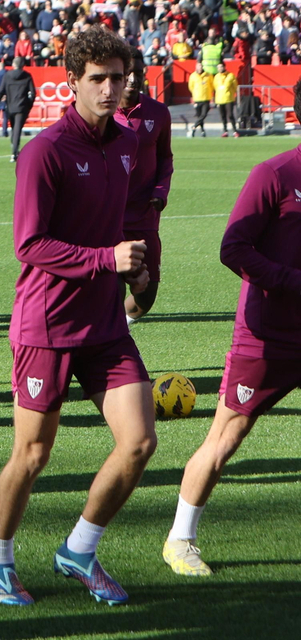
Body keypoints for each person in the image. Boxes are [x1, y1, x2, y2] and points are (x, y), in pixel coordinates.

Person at [0, 27, 154, 608]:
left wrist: (136, 268)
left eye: (118, 79)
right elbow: (29, 245)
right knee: (32, 455)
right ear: (73, 82)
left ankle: (79, 549)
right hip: (47, 326)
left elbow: (121, 217)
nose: (110, 89)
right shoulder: (45, 152)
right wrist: (107, 258)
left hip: (105, 321)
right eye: (98, 79)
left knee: (139, 442)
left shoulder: (128, 142)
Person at [162, 141, 301, 577]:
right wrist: (292, 282)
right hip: (268, 335)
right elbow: (234, 249)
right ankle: (180, 540)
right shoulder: (274, 174)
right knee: (225, 437)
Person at [116, 50, 173, 324]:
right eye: (127, 72)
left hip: (145, 218)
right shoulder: (99, 111)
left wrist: (161, 191)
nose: (133, 78)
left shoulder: (159, 113)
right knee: (108, 292)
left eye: (138, 72)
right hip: (108, 219)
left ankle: (115, 328)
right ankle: (108, 340)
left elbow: (165, 158)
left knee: (146, 297)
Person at [3, 55, 36, 162]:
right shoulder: (27, 76)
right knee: (17, 129)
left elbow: (1, 90)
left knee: (14, 128)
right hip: (22, 107)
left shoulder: (7, 75)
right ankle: (14, 151)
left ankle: (14, 148)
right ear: (23, 65)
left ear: (13, 65)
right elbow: (33, 93)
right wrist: (29, 105)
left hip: (10, 106)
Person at [212, 60, 238, 136]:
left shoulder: (230, 75)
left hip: (229, 98)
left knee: (230, 115)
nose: (220, 68)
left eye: (221, 67)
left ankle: (234, 131)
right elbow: (215, 87)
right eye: (218, 67)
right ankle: (225, 131)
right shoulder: (216, 77)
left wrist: (232, 94)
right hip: (219, 99)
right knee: (223, 116)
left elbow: (235, 86)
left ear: (224, 67)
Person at [187, 64, 213, 138]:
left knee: (204, 114)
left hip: (206, 98)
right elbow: (191, 86)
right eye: (198, 67)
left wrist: (209, 93)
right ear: (196, 68)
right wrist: (195, 93)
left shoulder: (208, 75)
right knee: (199, 116)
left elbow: (211, 85)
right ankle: (202, 131)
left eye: (201, 67)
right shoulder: (193, 76)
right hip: (197, 99)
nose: (200, 68)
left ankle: (193, 127)